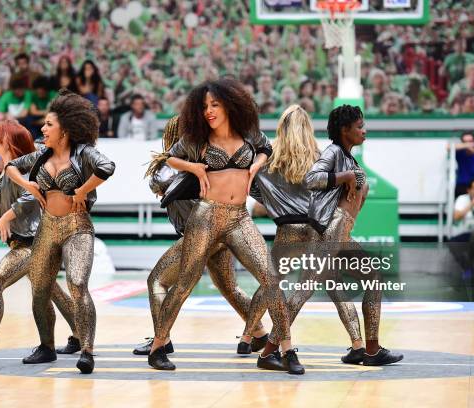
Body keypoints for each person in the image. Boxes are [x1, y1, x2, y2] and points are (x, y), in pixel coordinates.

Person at [148, 78, 303, 375]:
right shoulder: (197, 138)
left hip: (238, 218)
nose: (208, 111)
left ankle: (286, 349)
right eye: (204, 106)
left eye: (215, 105)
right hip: (206, 217)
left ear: (231, 104)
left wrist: (257, 163)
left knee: (271, 278)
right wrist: (193, 167)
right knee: (185, 283)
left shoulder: (249, 133)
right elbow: (171, 158)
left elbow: (265, 149)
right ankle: (158, 346)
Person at [241, 105, 372, 366]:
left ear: (280, 128)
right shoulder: (321, 156)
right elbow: (341, 192)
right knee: (333, 284)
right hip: (316, 228)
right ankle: (358, 344)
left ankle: (247, 338)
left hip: (286, 230)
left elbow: (252, 189)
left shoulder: (268, 159)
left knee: (272, 284)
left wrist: (273, 204)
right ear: (309, 128)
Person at [133, 116, 267, 356]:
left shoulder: (176, 166)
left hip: (201, 232)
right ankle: (259, 334)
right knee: (229, 287)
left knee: (157, 281)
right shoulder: (199, 160)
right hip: (225, 231)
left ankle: (161, 340)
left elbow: (159, 183)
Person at [5, 90, 115, 374]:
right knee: (40, 289)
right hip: (48, 227)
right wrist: (29, 186)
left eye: (48, 125)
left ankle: (87, 350)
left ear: (64, 130)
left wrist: (82, 190)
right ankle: (46, 347)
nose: (42, 129)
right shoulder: (42, 154)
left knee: (77, 285)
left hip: (77, 228)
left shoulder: (83, 152)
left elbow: (107, 167)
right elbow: (10, 167)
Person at [0, 120, 78, 361]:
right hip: (20, 242)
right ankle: (79, 336)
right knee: (51, 291)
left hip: (33, 244)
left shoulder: (26, 171)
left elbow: (32, 196)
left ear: (9, 143)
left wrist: (6, 216)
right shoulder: (6, 172)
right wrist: (2, 217)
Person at [303, 104, 403, 365]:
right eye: (359, 127)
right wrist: (346, 176)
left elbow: (354, 195)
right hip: (329, 232)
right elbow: (311, 179)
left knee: (371, 278)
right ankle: (273, 349)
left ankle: (369, 349)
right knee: (303, 291)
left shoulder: (349, 157)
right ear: (345, 130)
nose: (364, 131)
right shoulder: (334, 152)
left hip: (341, 233)